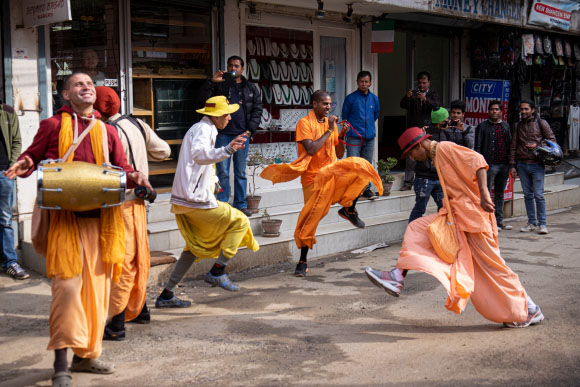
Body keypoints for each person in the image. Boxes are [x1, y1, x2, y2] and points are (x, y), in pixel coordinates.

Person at [4, 73, 152, 386]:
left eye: (89, 84)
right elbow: (34, 154)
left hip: (101, 225)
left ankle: (86, 357)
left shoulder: (106, 130)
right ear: (66, 94)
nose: (86, 87)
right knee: (67, 295)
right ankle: (61, 364)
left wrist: (136, 176)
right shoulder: (53, 126)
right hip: (65, 224)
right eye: (78, 84)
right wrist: (24, 163)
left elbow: (122, 167)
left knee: (97, 296)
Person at [365, 127, 544, 328]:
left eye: (411, 153)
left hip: (474, 218)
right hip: (458, 216)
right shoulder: (437, 155)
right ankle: (398, 276)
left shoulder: (444, 148)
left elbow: (478, 161)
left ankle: (530, 309)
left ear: (419, 145)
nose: (413, 158)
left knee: (495, 268)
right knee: (417, 228)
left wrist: (484, 194)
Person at [261, 91, 381, 277]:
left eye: (330, 104)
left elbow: (339, 153)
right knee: (311, 220)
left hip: (333, 175)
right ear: (314, 104)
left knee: (361, 169)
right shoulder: (304, 123)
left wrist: (341, 136)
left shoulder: (329, 124)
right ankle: (303, 260)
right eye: (325, 104)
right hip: (314, 180)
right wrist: (330, 130)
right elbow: (311, 148)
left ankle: (349, 209)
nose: (328, 108)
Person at [155, 96, 259, 308]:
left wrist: (213, 180)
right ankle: (217, 271)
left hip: (186, 199)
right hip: (194, 199)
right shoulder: (204, 129)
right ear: (216, 115)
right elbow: (199, 155)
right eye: (227, 114)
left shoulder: (203, 128)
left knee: (194, 247)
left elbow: (200, 163)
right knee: (240, 220)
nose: (230, 118)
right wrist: (228, 150)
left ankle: (167, 294)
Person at [94, 86, 171, 341]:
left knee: (122, 262)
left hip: (118, 204)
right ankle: (140, 309)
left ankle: (116, 322)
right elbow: (164, 152)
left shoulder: (103, 131)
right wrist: (141, 159)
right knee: (139, 258)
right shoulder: (138, 124)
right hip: (139, 201)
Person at [199, 56, 262, 216]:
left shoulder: (251, 88)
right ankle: (223, 204)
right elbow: (204, 100)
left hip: (242, 134)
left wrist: (249, 131)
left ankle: (240, 205)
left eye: (236, 66)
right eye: (230, 66)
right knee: (223, 172)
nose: (233, 69)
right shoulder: (221, 85)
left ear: (242, 68)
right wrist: (213, 82)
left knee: (240, 172)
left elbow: (257, 110)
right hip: (223, 135)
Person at [509, 100, 556, 235]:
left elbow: (552, 141)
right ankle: (531, 223)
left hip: (537, 164)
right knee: (527, 195)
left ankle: (542, 224)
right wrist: (512, 166)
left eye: (526, 109)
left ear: (533, 110)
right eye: (521, 109)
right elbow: (513, 146)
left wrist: (538, 145)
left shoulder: (542, 123)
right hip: (522, 165)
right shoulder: (517, 125)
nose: (523, 112)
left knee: (539, 195)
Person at [341, 71, 381, 200]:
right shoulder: (350, 98)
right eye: (361, 81)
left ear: (370, 83)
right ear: (357, 82)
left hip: (369, 137)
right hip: (353, 136)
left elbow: (375, 114)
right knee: (353, 164)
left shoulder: (374, 98)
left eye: (366, 82)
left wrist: (368, 128)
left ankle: (366, 189)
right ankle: (353, 191)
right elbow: (345, 116)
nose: (364, 84)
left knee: (366, 165)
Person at [0, 102, 28, 280]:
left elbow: (16, 141)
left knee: (5, 219)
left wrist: (11, 168)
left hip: (4, 174)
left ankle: (9, 262)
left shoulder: (8, 112)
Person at [475, 100, 513, 231]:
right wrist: (479, 165)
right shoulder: (482, 126)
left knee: (500, 194)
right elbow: (478, 147)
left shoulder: (506, 127)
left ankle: (499, 221)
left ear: (501, 112)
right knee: (486, 194)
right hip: (489, 165)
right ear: (488, 111)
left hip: (503, 164)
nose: (494, 111)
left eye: (497, 109)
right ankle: (487, 221)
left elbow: (510, 145)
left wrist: (511, 164)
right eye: (492, 109)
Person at [399, 71, 440, 191]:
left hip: (429, 129)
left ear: (429, 83)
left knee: (429, 154)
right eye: (419, 83)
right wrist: (407, 97)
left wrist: (426, 99)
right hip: (414, 129)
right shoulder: (413, 94)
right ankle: (408, 182)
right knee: (411, 156)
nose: (421, 85)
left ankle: (431, 180)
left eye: (424, 83)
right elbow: (403, 105)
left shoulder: (433, 94)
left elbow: (437, 107)